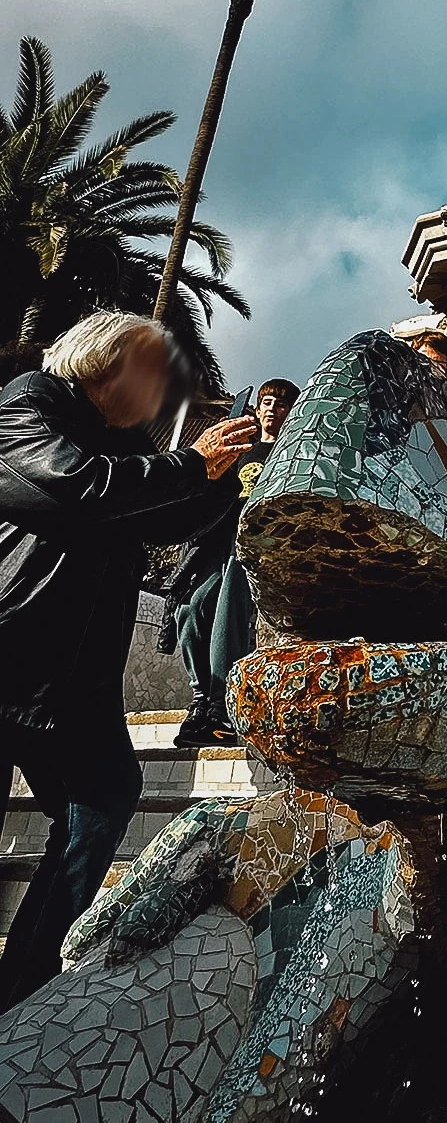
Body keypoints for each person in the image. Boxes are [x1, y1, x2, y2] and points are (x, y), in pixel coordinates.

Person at [0, 312, 258, 1010]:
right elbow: (67, 487)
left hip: (73, 680)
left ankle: (24, 988)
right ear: (104, 361)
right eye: (153, 369)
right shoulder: (28, 403)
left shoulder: (124, 445)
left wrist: (220, 479)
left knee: (102, 801)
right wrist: (189, 464)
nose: (163, 386)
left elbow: (163, 517)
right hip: (10, 651)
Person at [167, 378, 300, 747]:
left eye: (283, 404)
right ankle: (201, 696)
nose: (273, 408)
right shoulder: (240, 449)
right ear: (258, 408)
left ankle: (222, 706)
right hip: (215, 539)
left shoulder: (291, 454)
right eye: (268, 401)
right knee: (191, 609)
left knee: (228, 609)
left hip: (254, 545)